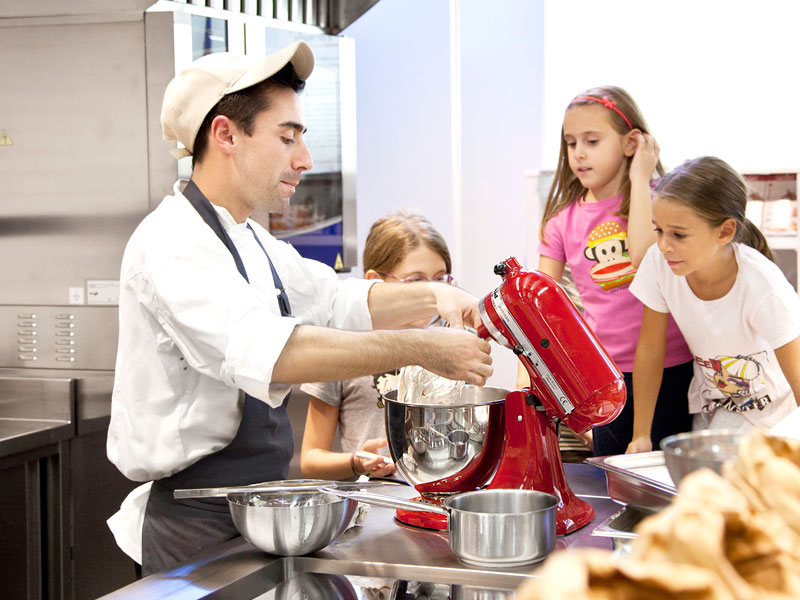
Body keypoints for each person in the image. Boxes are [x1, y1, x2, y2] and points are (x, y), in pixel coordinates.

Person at [106, 41, 492, 576]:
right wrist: (424, 347)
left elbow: (339, 300)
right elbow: (277, 353)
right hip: (193, 523)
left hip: (253, 511)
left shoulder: (249, 239)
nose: (305, 160)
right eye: (287, 138)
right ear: (226, 135)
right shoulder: (173, 243)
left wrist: (440, 297)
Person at [516, 86, 694, 456]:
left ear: (631, 143)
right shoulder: (561, 222)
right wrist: (531, 383)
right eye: (570, 143)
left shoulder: (660, 199)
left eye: (592, 141)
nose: (578, 153)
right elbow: (540, 308)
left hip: (671, 368)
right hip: (602, 375)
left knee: (665, 479)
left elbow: (646, 258)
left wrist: (640, 179)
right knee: (612, 477)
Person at [626, 157, 800, 452]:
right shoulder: (660, 263)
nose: (664, 245)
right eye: (659, 230)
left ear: (724, 232)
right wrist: (641, 435)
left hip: (774, 420)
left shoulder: (762, 285)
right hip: (713, 408)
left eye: (678, 234)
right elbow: (651, 348)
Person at [300, 211, 454, 480]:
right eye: (416, 281)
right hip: (373, 504)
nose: (432, 294)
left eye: (440, 280)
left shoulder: (451, 344)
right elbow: (311, 458)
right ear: (374, 282)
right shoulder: (344, 347)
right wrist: (357, 461)